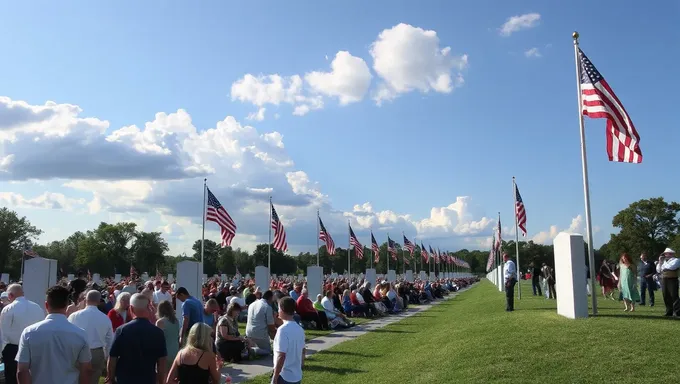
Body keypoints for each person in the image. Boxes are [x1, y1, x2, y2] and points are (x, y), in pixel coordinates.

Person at [16, 285, 92, 384]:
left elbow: (22, 371)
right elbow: (86, 369)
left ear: (46, 305)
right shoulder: (80, 334)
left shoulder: (29, 332)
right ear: (67, 305)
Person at [107, 293, 167, 384]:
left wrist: (110, 378)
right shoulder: (158, 332)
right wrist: (161, 381)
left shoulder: (122, 330)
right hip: (148, 378)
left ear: (131, 308)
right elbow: (162, 362)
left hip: (124, 378)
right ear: (148, 307)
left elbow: (112, 358)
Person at [0, 283, 45, 384]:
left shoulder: (8, 309)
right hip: (34, 347)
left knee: (12, 378)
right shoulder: (37, 307)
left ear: (10, 295)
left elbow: (3, 333)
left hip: (13, 348)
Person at [68, 290, 114, 384]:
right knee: (94, 379)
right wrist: (106, 356)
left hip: (77, 351)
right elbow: (109, 340)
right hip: (96, 352)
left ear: (85, 300)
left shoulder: (74, 316)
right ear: (98, 301)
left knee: (76, 378)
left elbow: (67, 334)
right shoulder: (105, 318)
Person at [271, 297, 305, 384]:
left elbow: (281, 355)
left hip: (284, 375)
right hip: (296, 375)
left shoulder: (282, 330)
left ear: (282, 309)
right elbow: (303, 350)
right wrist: (300, 367)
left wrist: (275, 376)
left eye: (278, 309)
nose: (278, 311)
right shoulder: (300, 329)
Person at [246, 290, 276, 355]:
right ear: (271, 297)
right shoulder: (267, 307)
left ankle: (250, 348)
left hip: (249, 332)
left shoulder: (252, 304)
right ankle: (251, 351)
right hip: (260, 333)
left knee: (259, 346)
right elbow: (271, 326)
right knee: (268, 351)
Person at [656, 248, 680, 317]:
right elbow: (658, 270)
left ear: (672, 254)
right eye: (665, 254)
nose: (666, 255)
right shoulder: (663, 261)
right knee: (666, 295)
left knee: (674, 295)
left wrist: (663, 266)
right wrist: (660, 262)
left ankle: (677, 312)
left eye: (668, 253)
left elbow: (671, 267)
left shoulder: (676, 260)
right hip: (664, 279)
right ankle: (669, 311)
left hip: (672, 279)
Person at [156, 300, 180, 367]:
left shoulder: (160, 322)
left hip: (165, 353)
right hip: (176, 351)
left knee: (164, 376)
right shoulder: (176, 321)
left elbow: (158, 340)